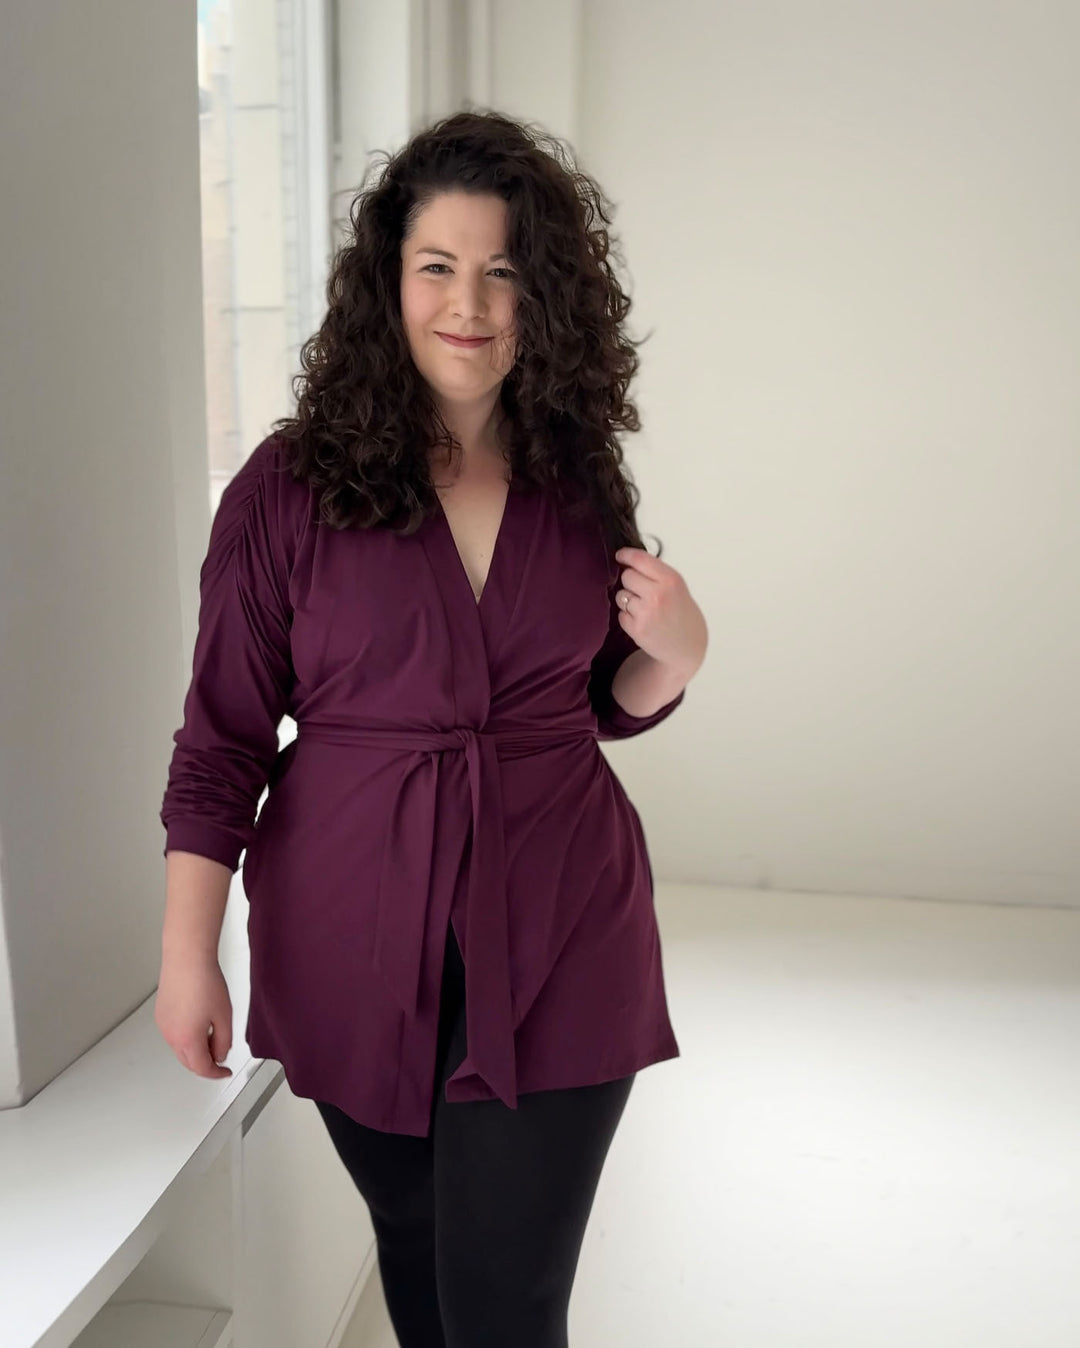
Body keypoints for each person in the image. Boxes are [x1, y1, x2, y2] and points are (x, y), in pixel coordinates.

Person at [155, 108, 708, 1348]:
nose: (470, 305)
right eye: (438, 266)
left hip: (563, 924)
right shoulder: (287, 490)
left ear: (544, 293)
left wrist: (678, 658)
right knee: (415, 1244)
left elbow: (593, 699)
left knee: (507, 1302)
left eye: (503, 270)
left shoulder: (577, 478)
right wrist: (189, 955)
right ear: (388, 282)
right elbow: (222, 739)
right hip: (347, 940)